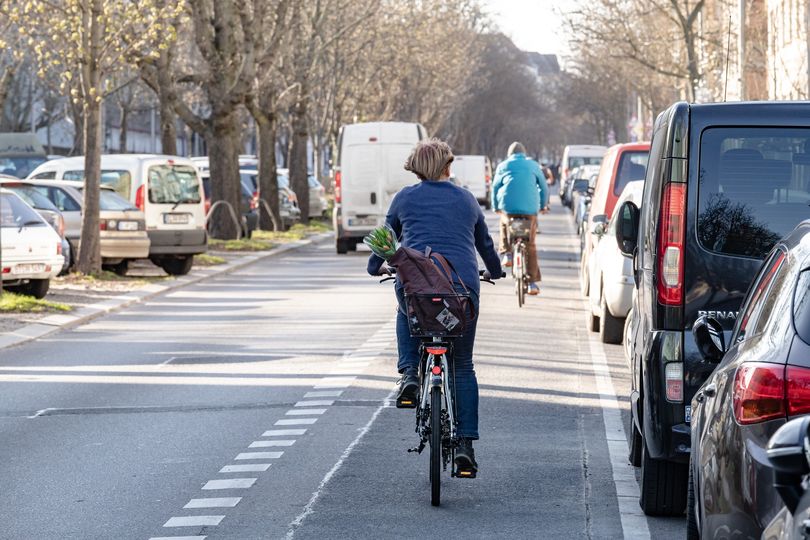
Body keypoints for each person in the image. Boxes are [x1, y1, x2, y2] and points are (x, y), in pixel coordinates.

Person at [367, 138, 502, 474]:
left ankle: (410, 373)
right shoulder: (467, 199)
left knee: (406, 307)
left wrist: (375, 266)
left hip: (416, 287)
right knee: (462, 366)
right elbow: (484, 243)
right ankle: (465, 446)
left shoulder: (404, 198)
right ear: (447, 167)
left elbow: (385, 239)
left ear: (416, 168)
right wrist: (495, 271)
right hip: (461, 293)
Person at [491, 142, 549, 296]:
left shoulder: (503, 165)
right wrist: (543, 205)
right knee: (530, 244)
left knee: (504, 221)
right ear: (524, 153)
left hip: (509, 207)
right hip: (530, 209)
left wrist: (495, 206)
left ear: (510, 154)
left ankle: (507, 253)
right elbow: (543, 187)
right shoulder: (533, 165)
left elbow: (495, 187)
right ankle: (531, 284)